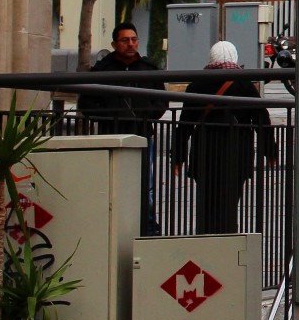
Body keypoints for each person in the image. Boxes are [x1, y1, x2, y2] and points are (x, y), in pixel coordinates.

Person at [171, 41, 277, 236]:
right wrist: (270, 151)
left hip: (206, 154)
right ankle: (228, 239)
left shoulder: (198, 84)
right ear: (234, 58)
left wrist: (178, 157)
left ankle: (207, 238)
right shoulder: (244, 84)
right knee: (230, 204)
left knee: (207, 204)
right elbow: (262, 119)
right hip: (236, 155)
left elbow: (185, 124)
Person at [81, 21, 168, 236]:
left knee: (144, 187)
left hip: (142, 136)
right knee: (110, 186)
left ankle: (147, 230)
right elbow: (86, 104)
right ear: (114, 43)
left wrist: (146, 116)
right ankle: (110, 229)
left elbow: (162, 101)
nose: (131, 44)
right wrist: (111, 115)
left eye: (134, 39)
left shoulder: (149, 69)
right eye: (125, 40)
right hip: (111, 137)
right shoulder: (102, 70)